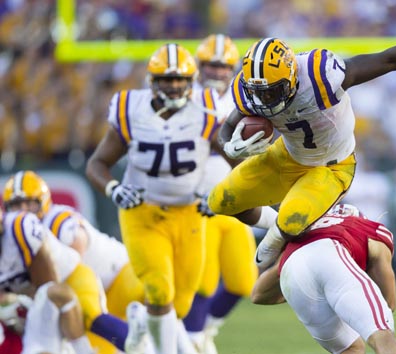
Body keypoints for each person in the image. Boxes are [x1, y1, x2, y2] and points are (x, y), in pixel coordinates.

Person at [207, 14, 396, 270]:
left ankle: (285, 230)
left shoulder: (319, 76)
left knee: (291, 222)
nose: (264, 101)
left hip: (331, 166)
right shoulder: (252, 87)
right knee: (220, 201)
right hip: (285, 156)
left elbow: (388, 59)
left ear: (291, 77)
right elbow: (229, 124)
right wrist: (228, 144)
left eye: (271, 92)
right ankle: (282, 224)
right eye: (259, 93)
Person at [85, 42, 264, 354]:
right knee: (159, 289)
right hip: (144, 213)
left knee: (181, 303)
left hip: (191, 212)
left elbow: (235, 160)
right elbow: (97, 163)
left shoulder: (206, 110)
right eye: (167, 79)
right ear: (152, 81)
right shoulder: (131, 110)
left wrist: (233, 192)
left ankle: (143, 316)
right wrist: (114, 189)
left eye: (180, 80)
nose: (174, 86)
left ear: (191, 81)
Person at [184, 33, 269, 354]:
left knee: (242, 281)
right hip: (197, 201)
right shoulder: (188, 100)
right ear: (200, 66)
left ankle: (205, 330)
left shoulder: (243, 100)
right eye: (212, 65)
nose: (218, 72)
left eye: (223, 66)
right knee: (202, 283)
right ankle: (192, 338)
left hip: (234, 201)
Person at [3, 170, 145, 353]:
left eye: (29, 203)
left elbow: (70, 258)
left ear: (43, 201)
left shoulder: (46, 223)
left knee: (86, 314)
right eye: (15, 205)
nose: (23, 210)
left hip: (90, 277)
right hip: (64, 289)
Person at [251, 204, 396, 354]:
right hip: (332, 252)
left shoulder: (301, 235)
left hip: (292, 271)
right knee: (381, 333)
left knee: (350, 348)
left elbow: (258, 295)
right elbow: (389, 302)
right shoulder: (368, 228)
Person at [0, 205, 94, 354]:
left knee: (55, 294)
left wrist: (19, 303)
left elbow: (49, 288)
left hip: (68, 284)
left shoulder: (20, 229)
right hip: (21, 327)